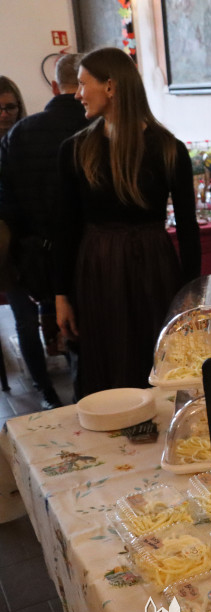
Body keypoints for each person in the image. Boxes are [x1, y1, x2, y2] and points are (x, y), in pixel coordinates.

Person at [55, 47, 200, 398]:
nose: (77, 94)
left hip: (153, 266)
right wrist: (61, 294)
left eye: (82, 84)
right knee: (106, 357)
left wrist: (190, 294)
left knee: (156, 356)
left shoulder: (168, 149)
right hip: (98, 268)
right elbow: (65, 226)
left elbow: (188, 228)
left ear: (110, 86)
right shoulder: (75, 150)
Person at [0, 55, 88, 409]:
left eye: (10, 106)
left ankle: (62, 387)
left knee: (63, 320)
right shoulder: (82, 125)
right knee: (27, 321)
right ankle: (47, 390)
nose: (5, 113)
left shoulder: (23, 134)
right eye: (0, 108)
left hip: (33, 243)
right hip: (22, 248)